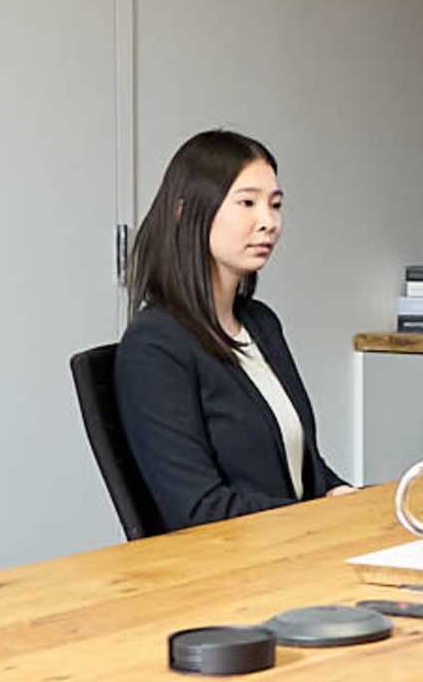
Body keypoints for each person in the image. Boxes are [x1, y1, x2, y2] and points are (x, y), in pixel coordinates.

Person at [114, 129, 344, 527]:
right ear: (186, 212)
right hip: (234, 568)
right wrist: (318, 516)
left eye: (275, 205)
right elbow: (198, 510)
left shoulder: (261, 324)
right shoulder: (154, 346)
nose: (268, 222)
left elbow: (303, 469)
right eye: (247, 203)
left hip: (297, 547)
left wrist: (345, 496)